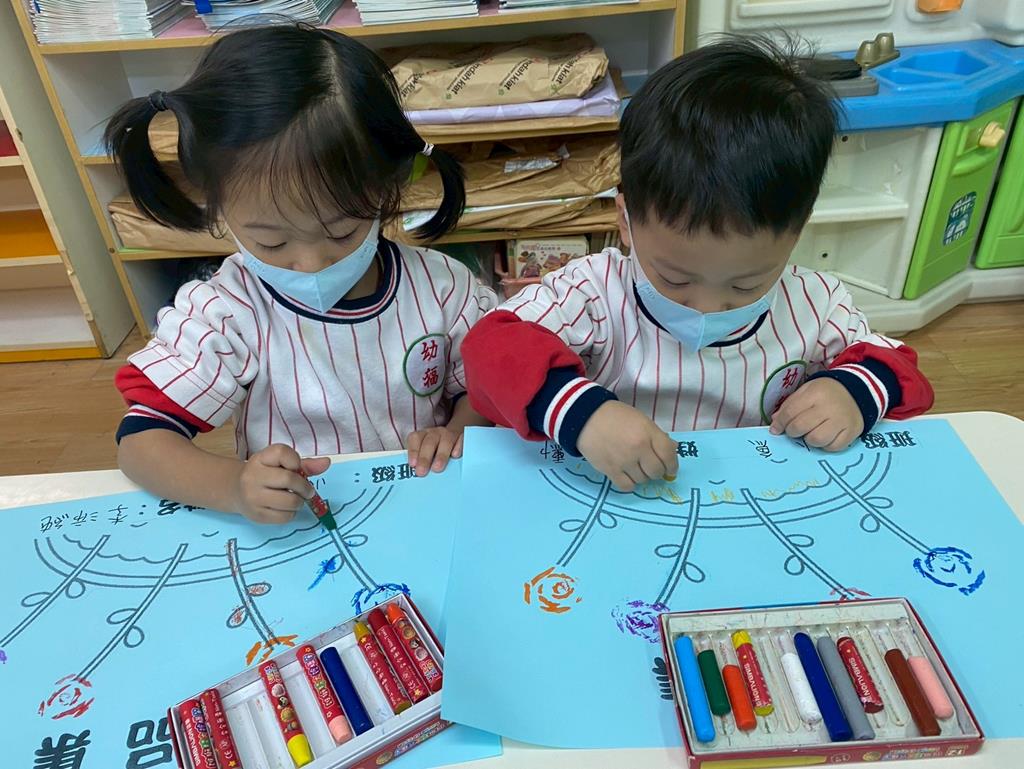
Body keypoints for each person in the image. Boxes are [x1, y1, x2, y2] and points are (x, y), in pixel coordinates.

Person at [462, 36, 933, 492]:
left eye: (746, 284)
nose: (706, 308)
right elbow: (488, 350)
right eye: (675, 277)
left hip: (750, 493)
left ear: (797, 231)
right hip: (616, 494)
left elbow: (899, 367)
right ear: (626, 221)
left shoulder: (815, 304)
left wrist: (853, 391)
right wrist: (579, 414)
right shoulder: (593, 293)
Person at [107, 24, 495, 523]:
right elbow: (142, 442)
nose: (311, 265)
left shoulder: (443, 288)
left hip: (424, 507)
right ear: (219, 209)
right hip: (299, 526)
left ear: (385, 191)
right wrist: (232, 487)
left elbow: (483, 385)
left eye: (341, 231)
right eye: (271, 242)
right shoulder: (226, 311)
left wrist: (459, 430)